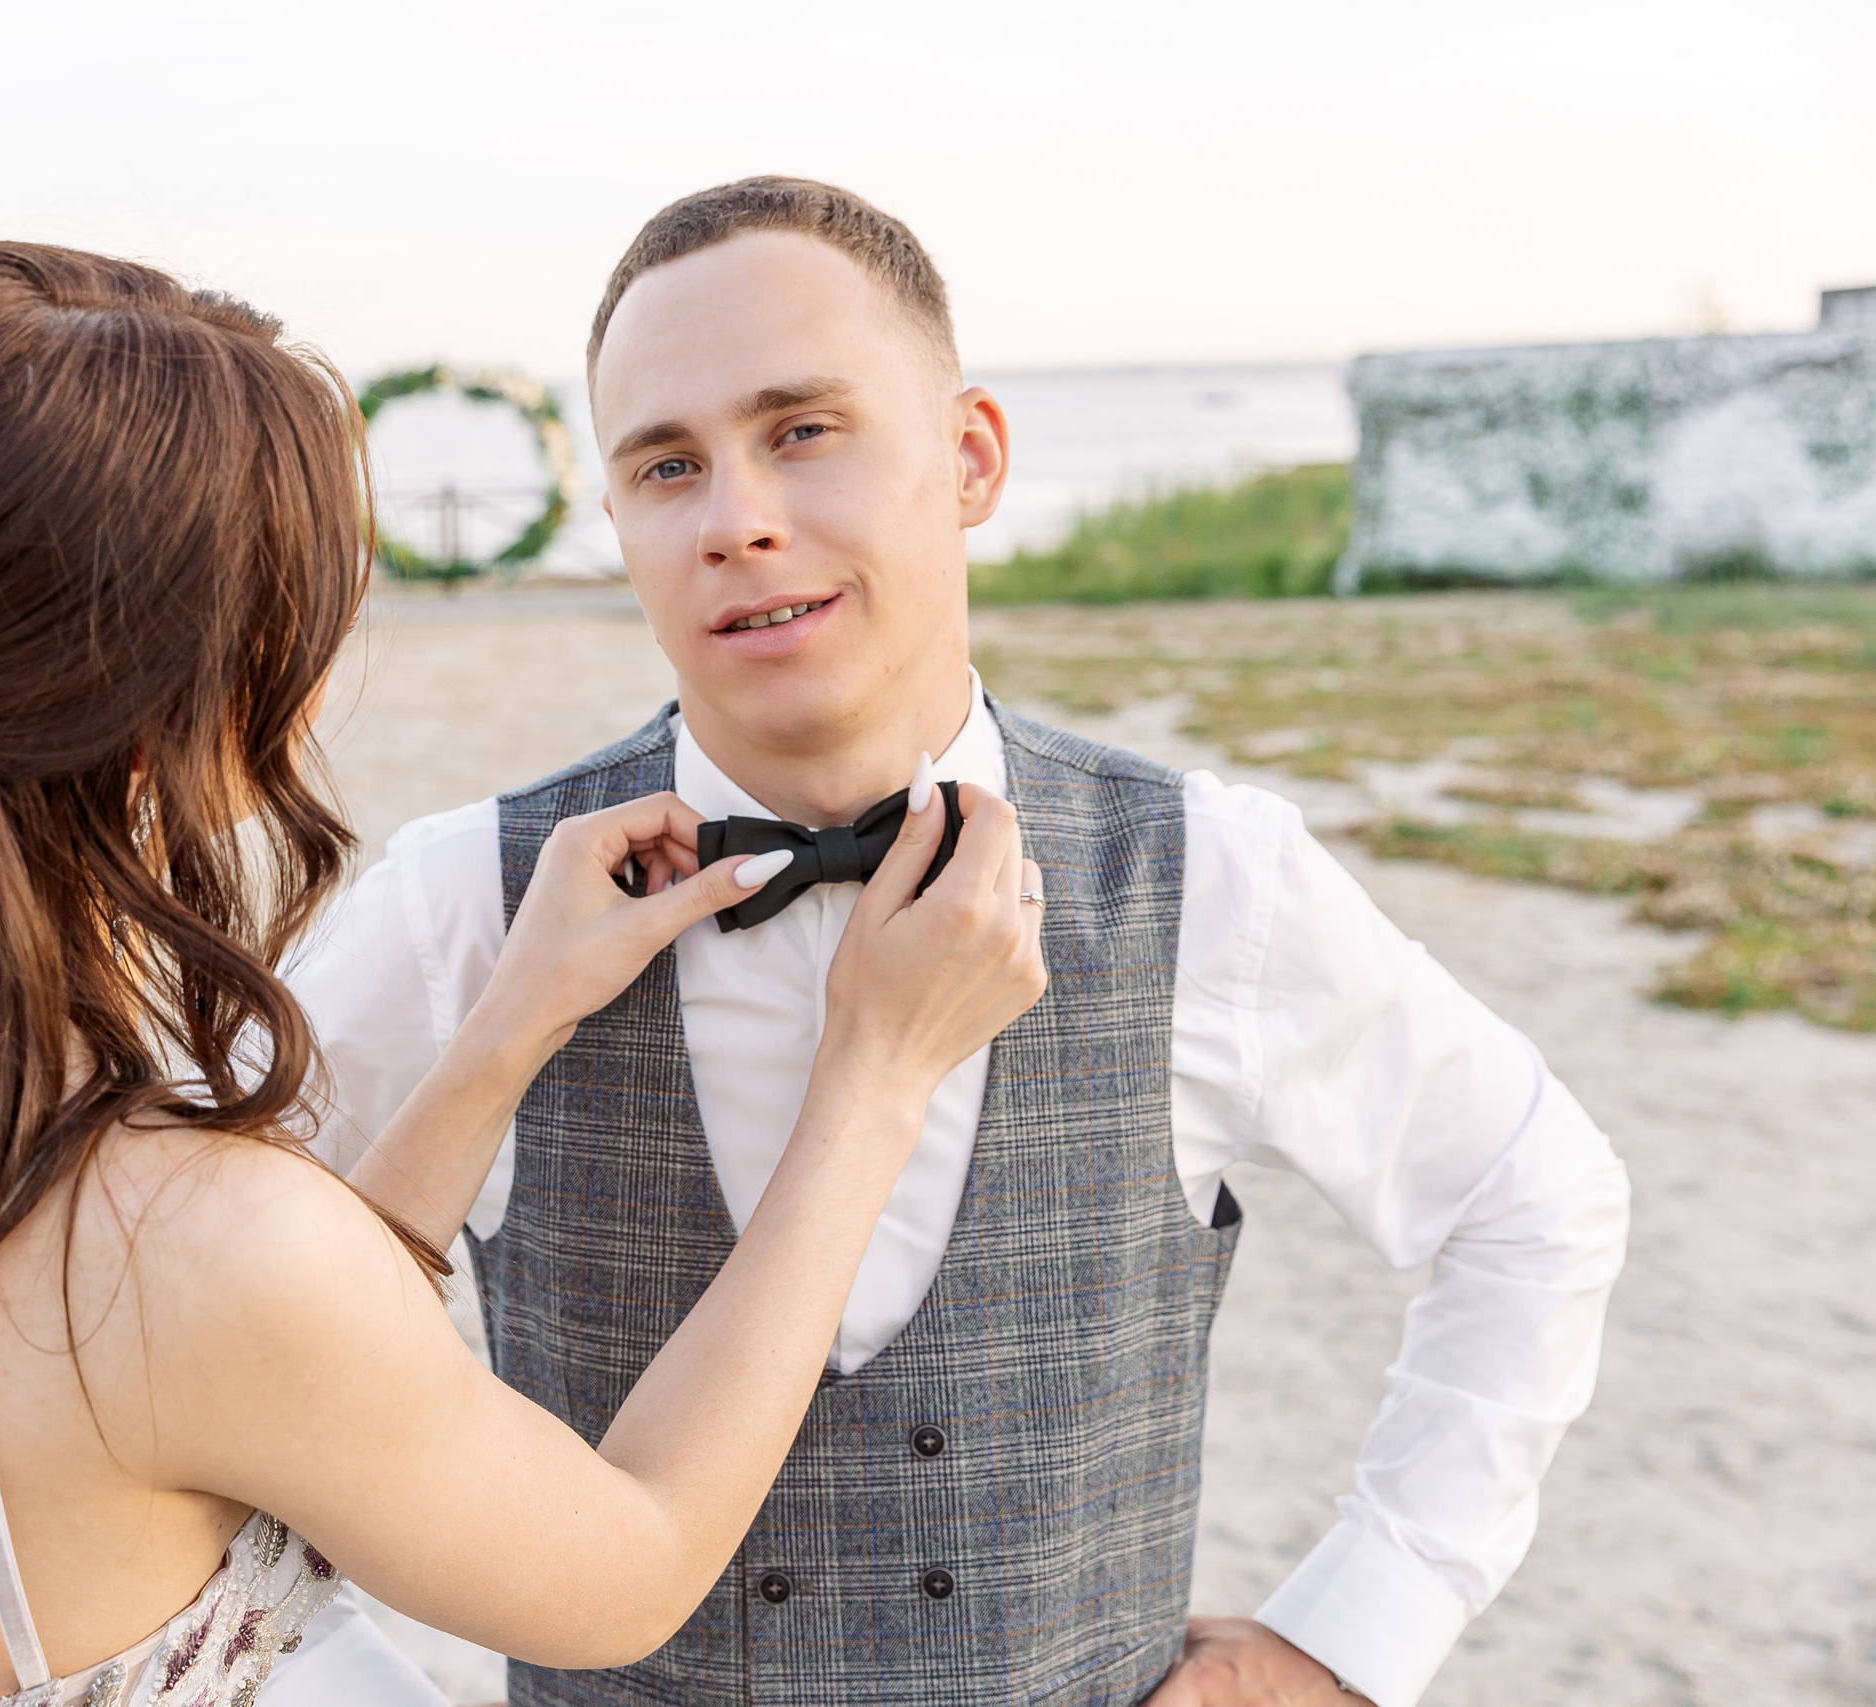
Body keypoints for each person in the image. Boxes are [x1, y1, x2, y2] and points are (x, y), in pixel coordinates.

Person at [0, 241, 1052, 1707]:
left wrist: (508, 1033)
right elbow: (631, 1562)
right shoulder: (174, 1244)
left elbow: (259, 1357)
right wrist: (876, 1078)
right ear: (182, 706)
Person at [284, 179, 1633, 1707]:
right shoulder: (469, 896)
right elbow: (176, 1334)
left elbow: (1537, 1201)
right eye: (669, 466)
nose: (738, 518)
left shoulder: (1207, 880)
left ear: (971, 457)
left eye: (802, 429)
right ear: (619, 526)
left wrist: (1353, 1635)